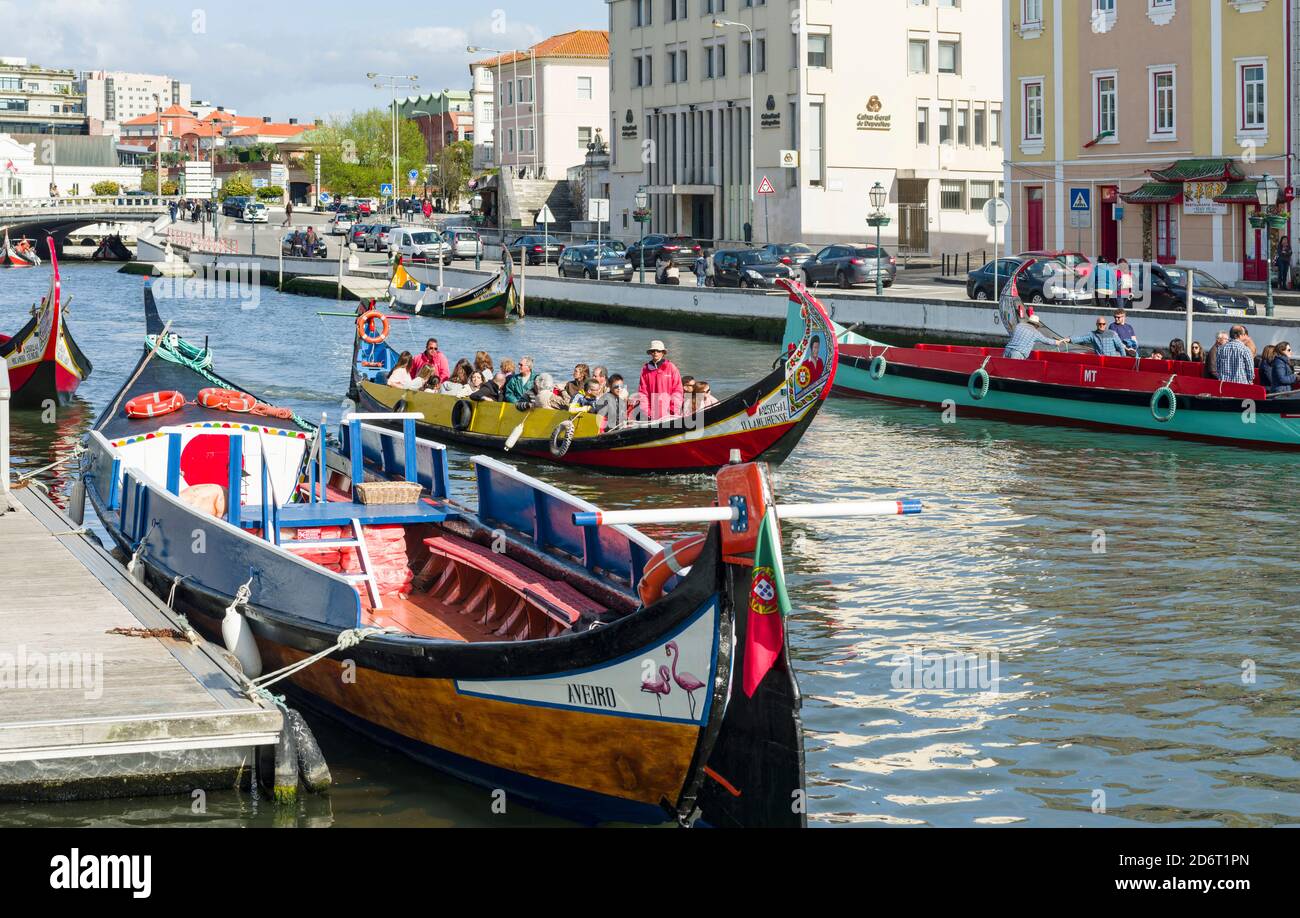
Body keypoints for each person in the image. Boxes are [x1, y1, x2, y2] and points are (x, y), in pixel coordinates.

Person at [638, 339, 684, 419]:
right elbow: (643, 393)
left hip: (669, 413)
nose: (655, 352)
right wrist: (647, 412)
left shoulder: (671, 367)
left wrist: (673, 410)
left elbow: (677, 390)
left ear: (663, 353)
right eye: (653, 351)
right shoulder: (645, 369)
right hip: (652, 414)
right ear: (650, 353)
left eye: (658, 351)